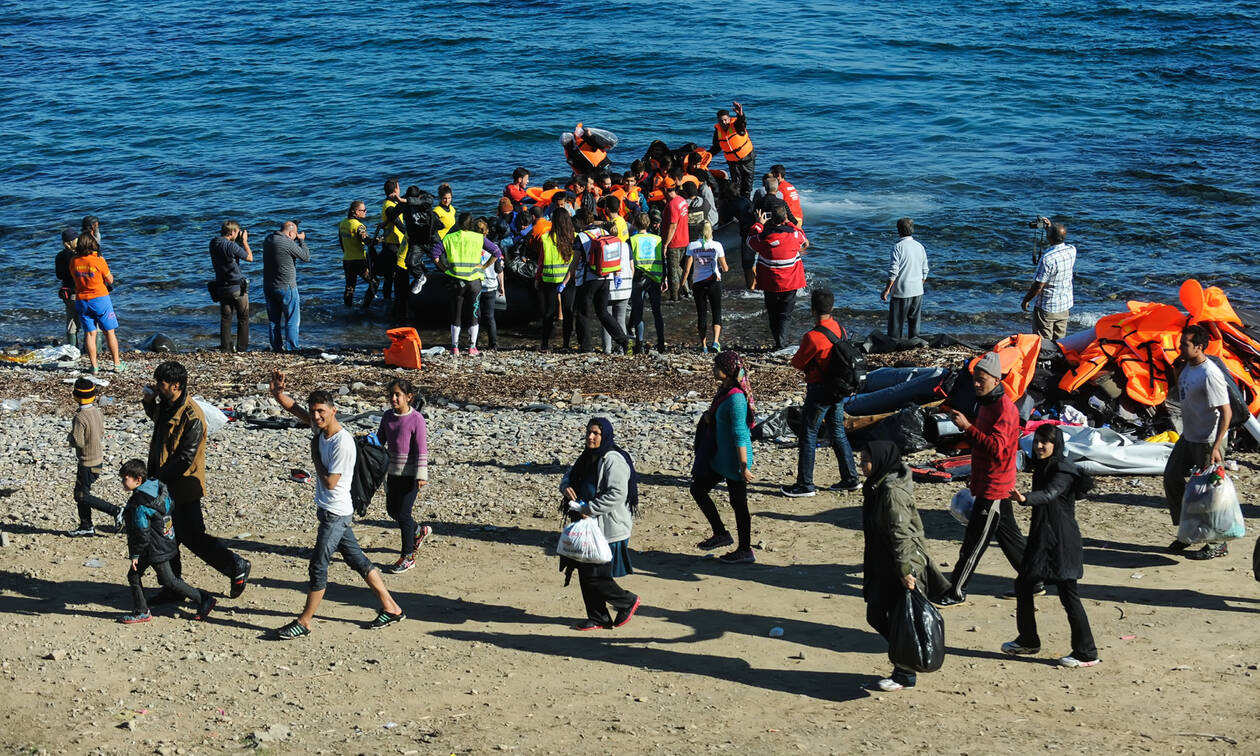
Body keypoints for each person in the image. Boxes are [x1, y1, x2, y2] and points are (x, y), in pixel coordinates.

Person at [269, 371, 405, 638]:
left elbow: (331, 481)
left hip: (336, 514)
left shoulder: (342, 443)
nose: (316, 417)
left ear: (334, 411)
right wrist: (278, 394)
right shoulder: (320, 428)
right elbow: (295, 409)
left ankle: (305, 621)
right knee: (359, 561)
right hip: (332, 512)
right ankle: (392, 607)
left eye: (321, 412)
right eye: (314, 412)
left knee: (318, 565)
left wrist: (314, 457)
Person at [142, 360, 250, 601]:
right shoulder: (168, 405)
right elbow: (158, 422)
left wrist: (156, 481)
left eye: (161, 384)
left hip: (183, 485)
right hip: (166, 483)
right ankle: (174, 586)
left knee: (192, 536)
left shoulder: (192, 416)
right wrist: (149, 403)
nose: (157, 387)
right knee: (168, 535)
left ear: (176, 385)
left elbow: (184, 457)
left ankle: (236, 565)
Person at [1004, 426, 1100, 668]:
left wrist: (1025, 498)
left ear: (1056, 444)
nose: (1039, 446)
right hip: (1043, 539)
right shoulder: (1043, 467)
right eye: (1037, 441)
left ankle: (1086, 653)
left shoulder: (1062, 469)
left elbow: (1049, 494)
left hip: (1062, 542)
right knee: (1023, 584)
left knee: (1069, 596)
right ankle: (1028, 640)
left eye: (1045, 442)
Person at [937, 352, 1027, 606]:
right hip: (987, 481)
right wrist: (973, 476)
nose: (977, 384)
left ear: (996, 380)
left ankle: (956, 591)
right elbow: (983, 449)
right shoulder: (985, 404)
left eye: (982, 380)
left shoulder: (1003, 409)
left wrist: (967, 427)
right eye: (975, 379)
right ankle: (1036, 580)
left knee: (973, 543)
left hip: (995, 487)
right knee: (1011, 539)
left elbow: (996, 449)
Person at [860, 441, 950, 691]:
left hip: (901, 564)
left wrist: (905, 571)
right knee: (878, 614)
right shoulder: (878, 485)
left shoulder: (891, 491)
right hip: (885, 563)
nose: (861, 465)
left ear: (878, 460)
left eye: (865, 459)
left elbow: (900, 533)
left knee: (900, 618)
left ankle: (905, 669)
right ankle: (907, 661)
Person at [560, 417, 641, 630]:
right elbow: (568, 476)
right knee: (586, 573)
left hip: (608, 527)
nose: (590, 437)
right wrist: (566, 487)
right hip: (587, 526)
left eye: (596, 433)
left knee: (595, 576)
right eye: (588, 432)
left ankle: (627, 601)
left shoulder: (613, 459)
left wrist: (589, 509)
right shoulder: (586, 457)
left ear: (605, 435)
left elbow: (617, 494)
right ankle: (598, 617)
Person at [117, 459, 216, 624]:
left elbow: (142, 532)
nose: (122, 482)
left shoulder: (140, 503)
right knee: (136, 576)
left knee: (169, 580)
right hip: (166, 540)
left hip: (153, 548)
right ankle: (142, 610)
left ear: (138, 480)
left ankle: (203, 599)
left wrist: (135, 553)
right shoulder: (158, 487)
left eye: (125, 479)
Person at [782, 289, 860, 497]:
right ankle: (850, 478)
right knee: (837, 432)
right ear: (832, 308)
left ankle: (805, 484)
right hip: (839, 388)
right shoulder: (840, 329)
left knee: (808, 435)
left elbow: (797, 363)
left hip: (819, 390)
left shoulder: (812, 337)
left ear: (813, 309)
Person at [1164, 324, 1232, 560]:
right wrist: (1175, 371)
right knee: (1172, 477)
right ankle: (1188, 530)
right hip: (1189, 435)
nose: (1180, 347)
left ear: (1199, 347)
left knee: (1208, 492)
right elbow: (1182, 392)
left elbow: (1226, 412)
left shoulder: (1209, 374)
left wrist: (1216, 446)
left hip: (1207, 439)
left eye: (1185, 344)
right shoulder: (1187, 366)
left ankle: (1217, 542)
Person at [691, 351, 758, 563]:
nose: (712, 369)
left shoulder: (736, 399)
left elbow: (740, 433)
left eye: (716, 366)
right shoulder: (725, 390)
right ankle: (721, 534)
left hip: (735, 460)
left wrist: (744, 466)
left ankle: (746, 550)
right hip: (720, 456)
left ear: (726, 372)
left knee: (738, 504)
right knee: (698, 489)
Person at [376, 379, 432, 574]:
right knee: (392, 510)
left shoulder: (416, 419)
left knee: (403, 513)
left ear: (409, 397)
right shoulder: (387, 417)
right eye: (391, 394)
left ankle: (408, 556)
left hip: (410, 476)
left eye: (397, 395)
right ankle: (418, 531)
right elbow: (379, 441)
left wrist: (421, 475)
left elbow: (421, 449)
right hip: (392, 473)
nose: (393, 398)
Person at [431, 212, 502, 356]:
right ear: (471, 224)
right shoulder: (478, 238)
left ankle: (455, 347)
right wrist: (484, 266)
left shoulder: (450, 238)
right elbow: (496, 252)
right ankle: (472, 347)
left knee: (456, 314)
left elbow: (435, 255)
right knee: (473, 314)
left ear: (458, 223)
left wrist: (445, 269)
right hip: (474, 281)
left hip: (456, 280)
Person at [66, 377, 122, 536]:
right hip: (98, 459)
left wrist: (69, 438)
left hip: (86, 462)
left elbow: (79, 442)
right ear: (93, 395)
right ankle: (86, 525)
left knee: (82, 495)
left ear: (75, 396)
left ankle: (116, 511)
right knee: (81, 492)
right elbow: (101, 433)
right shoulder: (98, 412)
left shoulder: (80, 417)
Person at [747, 206, 808, 350]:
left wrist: (759, 224)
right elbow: (803, 237)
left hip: (770, 284)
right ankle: (782, 343)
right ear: (785, 218)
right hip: (791, 283)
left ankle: (779, 343)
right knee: (785, 314)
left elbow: (749, 240)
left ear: (772, 220)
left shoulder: (764, 238)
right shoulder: (793, 236)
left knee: (773, 313)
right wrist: (790, 223)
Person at [573, 211, 630, 354]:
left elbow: (575, 261)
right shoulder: (604, 231)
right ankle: (622, 339)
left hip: (589, 279)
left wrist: (567, 278)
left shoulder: (581, 237)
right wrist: (617, 274)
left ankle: (586, 346)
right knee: (602, 312)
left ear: (580, 221)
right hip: (606, 277)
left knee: (583, 313)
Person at [69, 232, 124, 373]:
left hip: (82, 299)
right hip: (100, 298)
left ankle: (94, 366)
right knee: (109, 332)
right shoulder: (98, 261)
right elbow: (110, 280)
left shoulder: (73, 261)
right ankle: (117, 364)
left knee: (90, 334)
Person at [1021, 217, 1076, 340]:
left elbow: (1038, 285)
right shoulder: (1072, 251)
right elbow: (1056, 239)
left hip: (1047, 306)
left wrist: (1026, 300)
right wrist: (1049, 227)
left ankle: (1046, 359)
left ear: (1049, 238)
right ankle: (1059, 359)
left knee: (1044, 343)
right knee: (1061, 342)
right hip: (1064, 305)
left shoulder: (1047, 259)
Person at [261, 221, 309, 352]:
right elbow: (305, 257)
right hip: (286, 285)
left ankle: (276, 347)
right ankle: (293, 347)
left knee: (273, 320)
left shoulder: (268, 239)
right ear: (290, 232)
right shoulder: (288, 242)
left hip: (269, 286)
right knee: (292, 318)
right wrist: (302, 241)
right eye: (295, 234)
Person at [681, 221, 728, 352]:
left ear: (699, 230)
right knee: (716, 312)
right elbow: (725, 268)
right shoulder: (717, 245)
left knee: (701, 314)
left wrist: (681, 285)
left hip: (698, 283)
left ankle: (704, 346)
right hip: (714, 282)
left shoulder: (692, 245)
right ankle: (716, 342)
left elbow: (687, 269)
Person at [536, 208, 577, 351]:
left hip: (550, 278)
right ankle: (566, 344)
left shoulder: (546, 238)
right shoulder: (575, 237)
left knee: (549, 312)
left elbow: (541, 261)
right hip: (569, 279)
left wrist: (537, 278)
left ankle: (545, 344)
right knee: (568, 311)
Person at [209, 220, 253, 352]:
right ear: (233, 232)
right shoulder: (231, 246)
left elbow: (228, 254)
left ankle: (226, 347)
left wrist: (236, 241)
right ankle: (242, 348)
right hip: (236, 288)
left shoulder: (213, 243)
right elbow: (250, 258)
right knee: (243, 318)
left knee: (226, 318)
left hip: (221, 286)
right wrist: (244, 241)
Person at [881, 217, 928, 339]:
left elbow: (893, 271)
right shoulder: (920, 246)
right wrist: (919, 284)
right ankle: (914, 344)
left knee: (896, 326)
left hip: (901, 291)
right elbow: (925, 270)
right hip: (918, 290)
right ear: (912, 229)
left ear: (898, 230)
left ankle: (895, 345)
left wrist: (887, 290)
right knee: (914, 325)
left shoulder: (898, 247)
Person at [627, 212, 666, 354]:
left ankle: (639, 344)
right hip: (655, 278)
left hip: (638, 278)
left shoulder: (631, 240)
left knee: (638, 312)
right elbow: (663, 260)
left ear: (635, 224)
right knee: (657, 312)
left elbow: (628, 262)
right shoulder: (658, 239)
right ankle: (661, 343)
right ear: (649, 223)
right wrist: (665, 278)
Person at [711, 102, 755, 198]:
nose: (723, 123)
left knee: (747, 185)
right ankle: (737, 203)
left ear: (729, 119)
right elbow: (716, 147)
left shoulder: (736, 125)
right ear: (718, 121)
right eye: (721, 121)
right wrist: (708, 156)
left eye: (725, 120)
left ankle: (747, 204)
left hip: (747, 159)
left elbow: (742, 122)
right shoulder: (718, 131)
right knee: (736, 185)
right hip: (732, 162)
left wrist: (740, 114)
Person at [602, 225, 634, 355]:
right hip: (625, 285)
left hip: (609, 285)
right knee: (621, 320)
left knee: (606, 320)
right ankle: (624, 349)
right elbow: (632, 268)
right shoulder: (626, 246)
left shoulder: (605, 245)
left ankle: (607, 350)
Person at [476, 218, 505, 352]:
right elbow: (499, 269)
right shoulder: (493, 248)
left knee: (475, 315)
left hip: (476, 285)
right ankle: (493, 344)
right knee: (490, 316)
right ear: (487, 232)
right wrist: (502, 286)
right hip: (491, 285)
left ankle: (473, 343)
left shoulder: (472, 247)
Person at [379, 179, 410, 304]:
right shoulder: (389, 207)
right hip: (392, 244)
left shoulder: (392, 202)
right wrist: (410, 234)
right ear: (396, 189)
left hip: (394, 242)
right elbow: (398, 224)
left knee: (390, 275)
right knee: (392, 275)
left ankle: (389, 300)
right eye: (399, 187)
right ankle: (391, 301)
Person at [337, 201, 372, 308]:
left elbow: (341, 242)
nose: (366, 212)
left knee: (350, 287)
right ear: (356, 212)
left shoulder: (343, 223)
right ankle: (365, 306)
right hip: (359, 261)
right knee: (374, 282)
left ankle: (347, 308)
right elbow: (366, 240)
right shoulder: (359, 226)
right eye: (363, 210)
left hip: (347, 260)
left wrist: (347, 253)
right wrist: (377, 240)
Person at [662, 183, 690, 301]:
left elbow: (673, 226)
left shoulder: (672, 205)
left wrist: (665, 244)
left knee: (673, 271)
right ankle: (687, 291)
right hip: (684, 239)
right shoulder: (682, 200)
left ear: (665, 190)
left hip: (674, 242)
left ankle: (675, 298)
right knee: (679, 267)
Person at [54, 228, 81, 348]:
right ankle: (93, 348)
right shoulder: (77, 256)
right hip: (80, 291)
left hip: (67, 292)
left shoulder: (59, 256)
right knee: (89, 320)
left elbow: (59, 276)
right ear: (74, 240)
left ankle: (73, 348)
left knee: (71, 321)